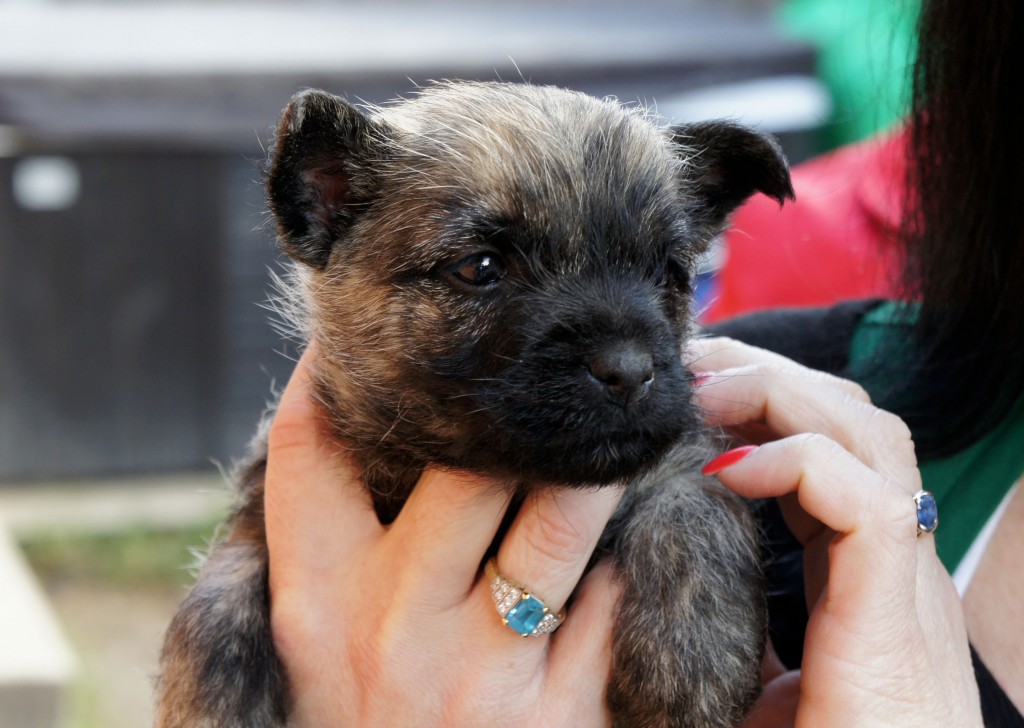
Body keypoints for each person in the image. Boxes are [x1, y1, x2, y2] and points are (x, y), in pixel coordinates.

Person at [263, 0, 1022, 724]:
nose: (628, 357)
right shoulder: (803, 413)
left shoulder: (775, 457)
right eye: (484, 269)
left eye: (664, 271)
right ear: (325, 203)